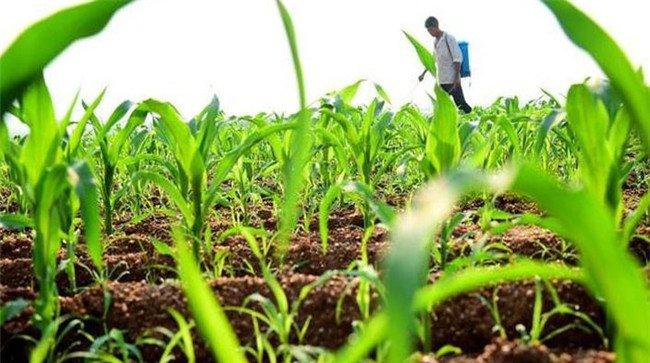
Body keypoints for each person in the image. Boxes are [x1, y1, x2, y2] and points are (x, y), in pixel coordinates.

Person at [418, 16, 472, 113]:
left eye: (430, 30)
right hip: (442, 81)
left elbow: (457, 59)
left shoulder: (449, 39)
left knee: (461, 104)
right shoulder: (435, 42)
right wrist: (423, 74)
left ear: (435, 27)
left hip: (452, 80)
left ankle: (474, 120)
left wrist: (456, 78)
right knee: (442, 108)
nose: (429, 33)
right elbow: (432, 59)